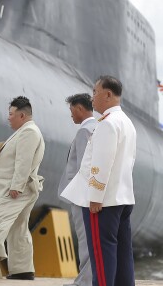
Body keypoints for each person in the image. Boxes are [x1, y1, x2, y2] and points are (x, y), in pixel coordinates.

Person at [61, 76, 136, 286]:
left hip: (103, 202)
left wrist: (95, 197)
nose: (92, 98)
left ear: (108, 94)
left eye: (95, 92)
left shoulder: (108, 124)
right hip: (122, 198)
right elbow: (128, 163)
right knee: (122, 253)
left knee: (101, 256)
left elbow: (101, 164)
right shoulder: (127, 123)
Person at [0, 96, 45, 281]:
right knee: (18, 229)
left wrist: (16, 187)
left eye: (11, 114)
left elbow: (24, 161)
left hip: (15, 190)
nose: (8, 118)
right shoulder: (25, 130)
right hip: (22, 188)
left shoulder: (29, 132)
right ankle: (23, 270)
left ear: (22, 115)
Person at [57, 93, 96, 286]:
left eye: (72, 110)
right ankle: (86, 279)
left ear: (80, 108)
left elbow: (83, 168)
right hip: (91, 196)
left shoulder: (84, 131)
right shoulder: (97, 127)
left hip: (82, 197)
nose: (71, 115)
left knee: (85, 241)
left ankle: (84, 282)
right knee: (91, 241)